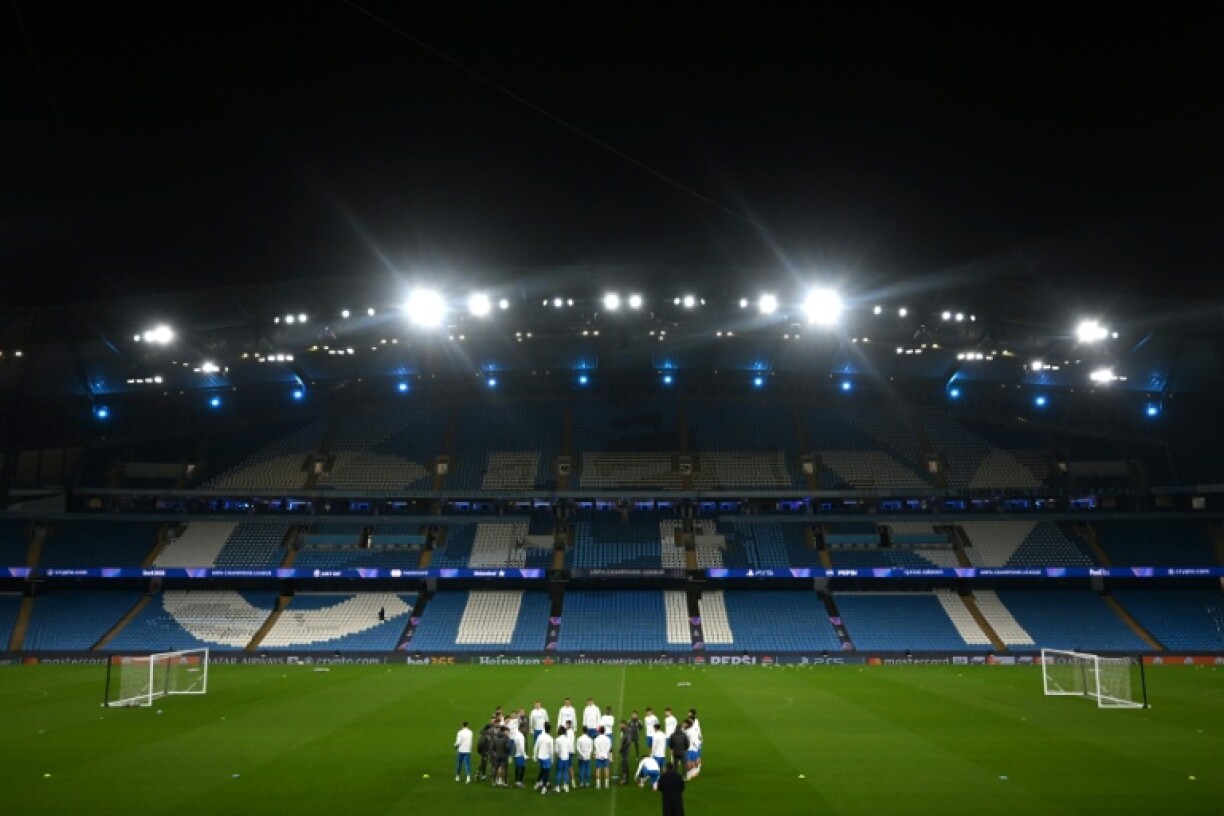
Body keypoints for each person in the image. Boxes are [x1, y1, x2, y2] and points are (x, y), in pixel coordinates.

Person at [533, 722, 554, 794]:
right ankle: (544, 788)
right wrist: (552, 759)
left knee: (542, 771)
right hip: (546, 758)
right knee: (546, 773)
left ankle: (537, 784)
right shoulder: (550, 738)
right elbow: (551, 750)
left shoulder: (540, 736)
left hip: (540, 757)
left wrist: (534, 756)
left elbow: (536, 747)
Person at [592, 725, 613, 789]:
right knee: (606, 769)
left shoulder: (596, 739)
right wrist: (607, 755)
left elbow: (596, 748)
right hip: (606, 755)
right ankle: (606, 785)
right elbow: (609, 747)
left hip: (599, 756)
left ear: (599, 731)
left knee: (598, 769)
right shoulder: (608, 739)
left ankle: (598, 785)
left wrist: (597, 754)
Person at [554, 725, 572, 793]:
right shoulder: (567, 739)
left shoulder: (557, 739)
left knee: (558, 772)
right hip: (566, 758)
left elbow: (556, 750)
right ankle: (566, 786)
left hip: (560, 758)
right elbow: (569, 748)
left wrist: (557, 755)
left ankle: (558, 787)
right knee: (565, 772)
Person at [512, 723, 528, 787]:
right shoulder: (521, 737)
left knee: (517, 768)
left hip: (516, 754)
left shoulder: (516, 735)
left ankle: (517, 781)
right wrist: (525, 755)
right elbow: (521, 747)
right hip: (520, 755)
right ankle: (519, 782)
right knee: (522, 768)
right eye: (524, 728)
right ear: (521, 728)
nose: (525, 729)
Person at [617, 721, 632, 785]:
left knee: (624, 764)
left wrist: (622, 748)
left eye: (621, 725)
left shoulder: (626, 732)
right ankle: (625, 778)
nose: (620, 726)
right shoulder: (623, 732)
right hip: (624, 750)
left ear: (624, 725)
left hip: (625, 751)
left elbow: (628, 742)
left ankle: (624, 780)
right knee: (624, 763)